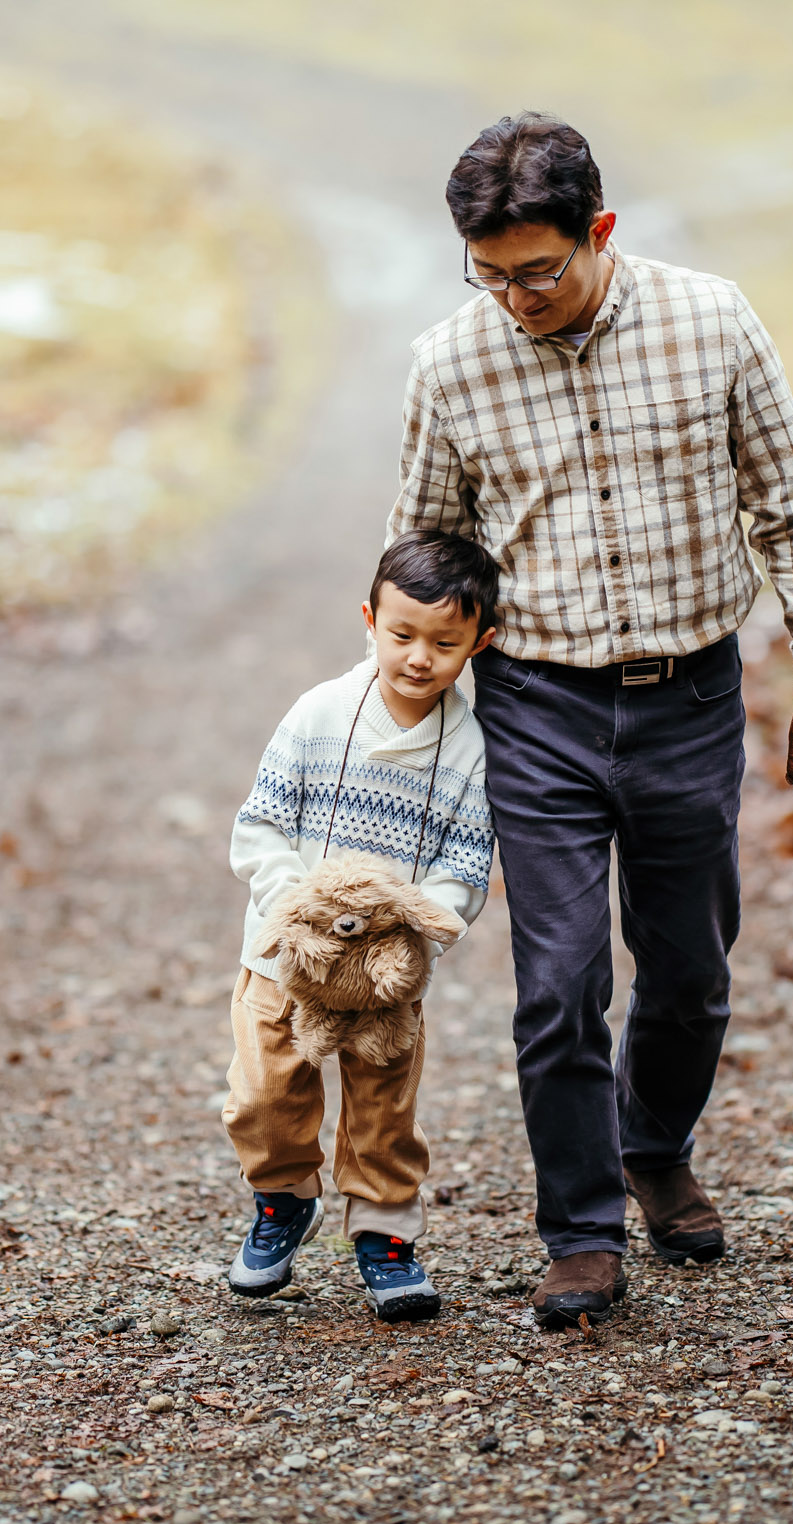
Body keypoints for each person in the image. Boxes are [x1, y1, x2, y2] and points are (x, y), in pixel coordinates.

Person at [387, 113, 793, 1330]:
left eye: (537, 271)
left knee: (691, 968)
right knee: (556, 983)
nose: (514, 299)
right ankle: (582, 1230)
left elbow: (792, 508)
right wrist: (400, 709)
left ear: (598, 230)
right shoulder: (450, 362)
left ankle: (655, 1143)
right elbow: (431, 548)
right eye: (488, 276)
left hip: (689, 696)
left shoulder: (712, 320)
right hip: (537, 704)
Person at [220, 531, 498, 1322]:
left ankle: (384, 1232)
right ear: (370, 619)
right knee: (264, 1094)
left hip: (385, 979)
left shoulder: (470, 750)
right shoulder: (318, 714)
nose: (419, 657)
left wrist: (416, 933)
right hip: (286, 959)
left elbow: (466, 867)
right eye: (402, 634)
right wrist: (296, 901)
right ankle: (282, 1197)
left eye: (445, 643)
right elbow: (260, 824)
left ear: (480, 642)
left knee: (384, 1108)